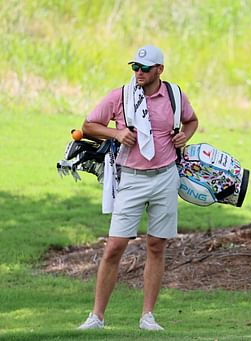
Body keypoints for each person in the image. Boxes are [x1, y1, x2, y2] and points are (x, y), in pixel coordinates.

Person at [77, 45, 198, 331]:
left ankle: (147, 317)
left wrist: (185, 136)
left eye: (145, 68)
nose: (139, 73)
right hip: (131, 177)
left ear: (159, 70)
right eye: (135, 67)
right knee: (115, 246)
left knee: (156, 245)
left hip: (166, 176)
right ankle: (96, 317)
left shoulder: (174, 95)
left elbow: (191, 121)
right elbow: (89, 124)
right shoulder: (121, 95)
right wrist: (117, 133)